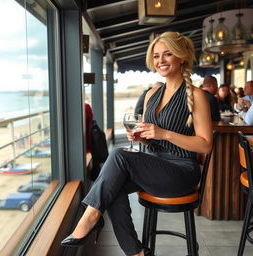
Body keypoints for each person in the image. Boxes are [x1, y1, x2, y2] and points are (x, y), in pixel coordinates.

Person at [61, 31, 213, 256]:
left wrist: (164, 134)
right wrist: (142, 137)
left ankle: (91, 217)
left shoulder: (196, 95)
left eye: (167, 54)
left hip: (182, 172)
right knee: (113, 187)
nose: (160, 61)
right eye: (156, 56)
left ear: (181, 57)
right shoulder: (152, 94)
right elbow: (152, 134)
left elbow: (205, 145)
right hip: (155, 165)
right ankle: (136, 252)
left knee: (119, 156)